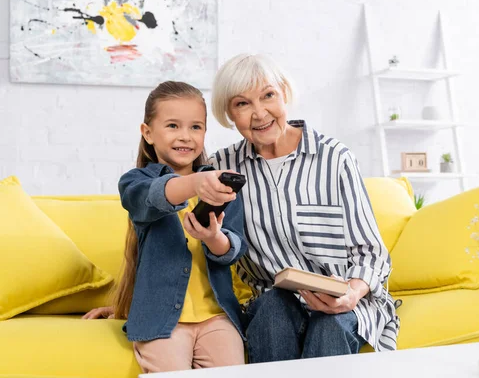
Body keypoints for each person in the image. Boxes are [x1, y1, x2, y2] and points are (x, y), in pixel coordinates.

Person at [209, 53, 399, 362]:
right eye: (242, 104)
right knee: (272, 310)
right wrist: (131, 301)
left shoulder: (335, 158)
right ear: (229, 114)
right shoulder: (223, 168)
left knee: (329, 326)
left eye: (268, 95)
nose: (259, 114)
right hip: (275, 302)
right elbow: (181, 232)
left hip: (344, 300)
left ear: (283, 93)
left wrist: (351, 292)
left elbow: (371, 253)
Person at [83, 81, 247, 373]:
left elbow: (232, 249)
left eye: (196, 127)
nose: (186, 136)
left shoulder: (220, 188)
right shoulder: (135, 182)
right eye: (173, 126)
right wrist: (196, 183)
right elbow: (156, 196)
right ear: (148, 133)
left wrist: (213, 238)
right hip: (160, 321)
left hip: (217, 318)